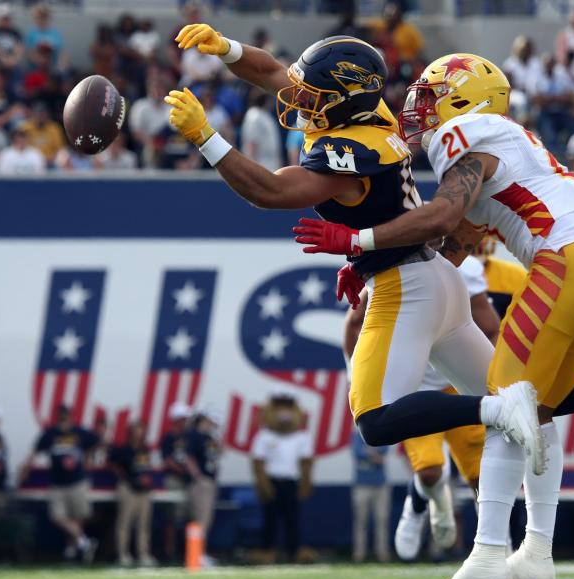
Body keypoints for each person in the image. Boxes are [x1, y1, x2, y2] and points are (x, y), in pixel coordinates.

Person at [295, 51, 574, 579]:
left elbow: (441, 217)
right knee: (533, 408)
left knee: (504, 401)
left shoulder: (466, 132)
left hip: (565, 262)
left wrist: (356, 241)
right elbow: (454, 243)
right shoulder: (510, 140)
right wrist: (368, 266)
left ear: (462, 99)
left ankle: (489, 553)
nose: (419, 107)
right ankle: (538, 546)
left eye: (431, 94)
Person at [168, 28, 550, 479]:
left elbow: (269, 191)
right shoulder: (366, 113)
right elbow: (273, 71)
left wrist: (205, 136)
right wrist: (227, 48)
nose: (301, 100)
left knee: (376, 418)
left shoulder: (353, 149)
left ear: (344, 100)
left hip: (405, 284)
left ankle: (498, 413)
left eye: (314, 95)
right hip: (432, 276)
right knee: (517, 398)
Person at [345, 254, 498, 561]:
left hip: (455, 382)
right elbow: (354, 322)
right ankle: (421, 505)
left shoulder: (464, 270)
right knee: (429, 472)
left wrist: (481, 364)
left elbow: (490, 325)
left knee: (482, 477)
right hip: (413, 384)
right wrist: (356, 375)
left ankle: (494, 549)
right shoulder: (394, 266)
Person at [22, 405, 100, 563]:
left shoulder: (79, 432)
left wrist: (89, 456)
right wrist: (25, 468)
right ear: (58, 416)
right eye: (62, 415)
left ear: (71, 416)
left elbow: (98, 441)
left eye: (66, 415)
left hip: (77, 481)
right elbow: (35, 451)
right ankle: (84, 541)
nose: (64, 418)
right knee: (57, 516)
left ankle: (72, 550)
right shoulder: (50, 434)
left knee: (77, 516)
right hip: (57, 482)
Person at [250, 392, 313, 563]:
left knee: (293, 520)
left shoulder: (301, 437)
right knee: (269, 520)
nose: (283, 414)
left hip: (291, 482)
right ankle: (267, 551)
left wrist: (306, 483)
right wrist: (263, 484)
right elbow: (258, 463)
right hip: (271, 482)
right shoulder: (264, 436)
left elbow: (306, 463)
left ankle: (294, 552)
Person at [109, 421, 157, 567]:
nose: (139, 433)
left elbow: (147, 467)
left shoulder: (145, 449)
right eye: (137, 430)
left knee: (144, 523)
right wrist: (125, 477)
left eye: (141, 430)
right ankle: (123, 554)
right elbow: (112, 463)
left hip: (144, 489)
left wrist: (147, 480)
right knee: (125, 522)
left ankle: (143, 553)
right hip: (128, 487)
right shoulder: (123, 449)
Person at [185, 408, 221, 566]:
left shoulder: (209, 437)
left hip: (210, 481)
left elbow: (220, 451)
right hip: (202, 482)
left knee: (206, 520)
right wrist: (198, 477)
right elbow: (189, 458)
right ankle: (197, 554)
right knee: (201, 519)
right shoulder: (194, 436)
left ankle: (201, 552)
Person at [350, 430, 390, 563]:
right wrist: (373, 454)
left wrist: (367, 452)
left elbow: (384, 451)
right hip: (361, 485)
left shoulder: (382, 434)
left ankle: (382, 554)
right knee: (361, 521)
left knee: (382, 520)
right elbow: (357, 453)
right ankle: (359, 554)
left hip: (380, 485)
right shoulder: (356, 436)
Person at [160, 402, 192, 561]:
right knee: (172, 516)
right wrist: (182, 469)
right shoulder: (169, 438)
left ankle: (188, 549)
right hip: (174, 478)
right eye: (183, 419)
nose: (186, 422)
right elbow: (167, 460)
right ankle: (169, 550)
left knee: (189, 516)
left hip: (188, 480)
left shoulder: (190, 437)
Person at [240, 91, 281, 171]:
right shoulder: (253, 116)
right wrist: (252, 166)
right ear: (265, 101)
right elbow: (251, 141)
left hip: (271, 162)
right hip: (260, 162)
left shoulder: (266, 115)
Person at [0, 4, 24, 72]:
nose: (6, 21)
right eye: (4, 18)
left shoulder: (16, 32)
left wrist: (13, 59)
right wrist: (4, 59)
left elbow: (19, 48)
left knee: (20, 72)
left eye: (7, 18)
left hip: (12, 62)